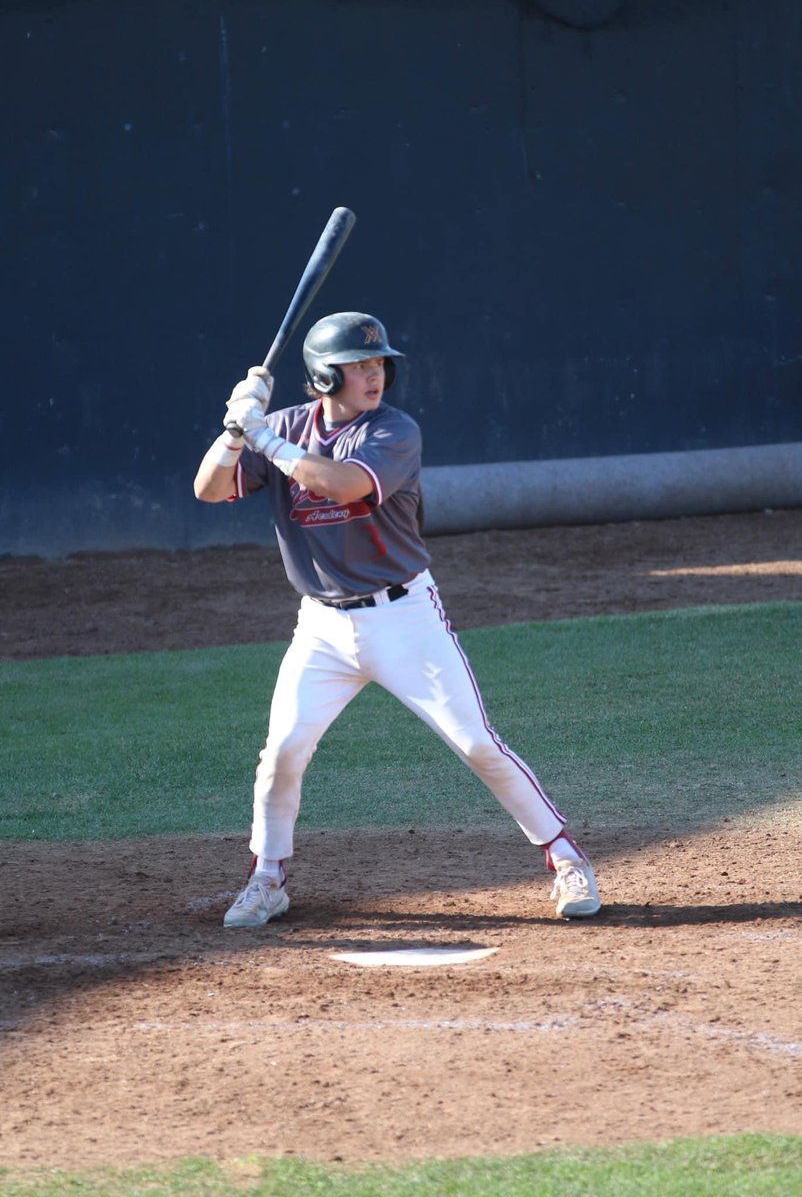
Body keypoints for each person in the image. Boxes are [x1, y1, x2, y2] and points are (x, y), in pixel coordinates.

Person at [193, 311, 601, 927]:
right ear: (324, 377)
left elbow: (343, 485)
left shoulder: (393, 430)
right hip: (321, 627)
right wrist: (232, 433)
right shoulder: (284, 426)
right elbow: (207, 489)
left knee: (476, 742)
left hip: (405, 617)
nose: (373, 375)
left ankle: (566, 857)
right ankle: (267, 878)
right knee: (282, 752)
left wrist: (264, 440)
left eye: (378, 363)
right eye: (357, 365)